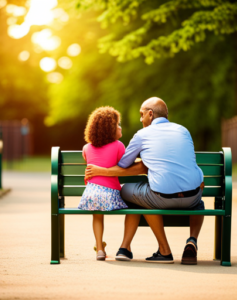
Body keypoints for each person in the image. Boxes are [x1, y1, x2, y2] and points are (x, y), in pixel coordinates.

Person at [85, 97, 205, 265]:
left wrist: (103, 171)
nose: (140, 119)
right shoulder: (183, 130)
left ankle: (162, 250)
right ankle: (192, 240)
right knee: (200, 202)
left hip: (161, 199)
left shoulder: (142, 135)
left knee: (130, 192)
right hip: (192, 197)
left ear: (150, 114)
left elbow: (123, 165)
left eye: (141, 115)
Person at [78, 106, 128, 261]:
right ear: (109, 130)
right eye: (117, 125)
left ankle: (99, 248)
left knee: (97, 216)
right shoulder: (119, 146)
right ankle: (125, 246)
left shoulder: (86, 148)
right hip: (112, 196)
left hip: (91, 195)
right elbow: (124, 165)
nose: (120, 127)